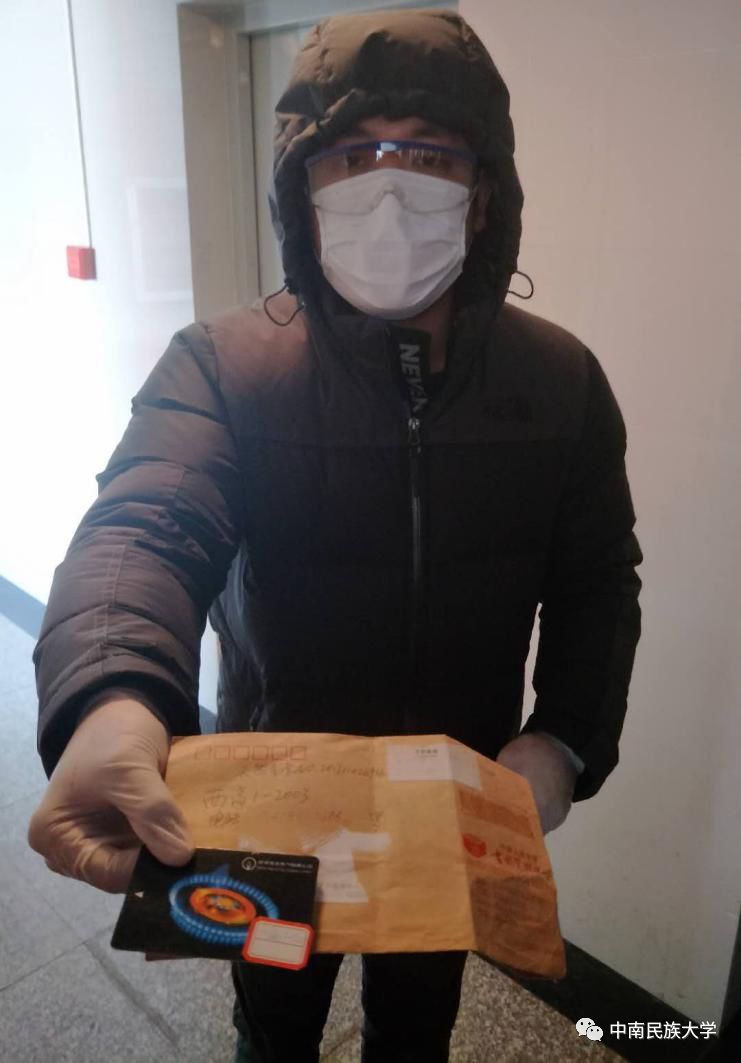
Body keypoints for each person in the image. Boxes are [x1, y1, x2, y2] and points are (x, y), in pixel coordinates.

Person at [28, 9, 642, 1063]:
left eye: (429, 156)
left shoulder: (561, 382)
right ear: (301, 190)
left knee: (416, 1028)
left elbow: (598, 580)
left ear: (482, 190)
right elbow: (146, 526)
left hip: (450, 806)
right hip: (271, 803)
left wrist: (563, 738)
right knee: (274, 1023)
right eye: (355, 156)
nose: (390, 189)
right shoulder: (221, 366)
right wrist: (111, 693)